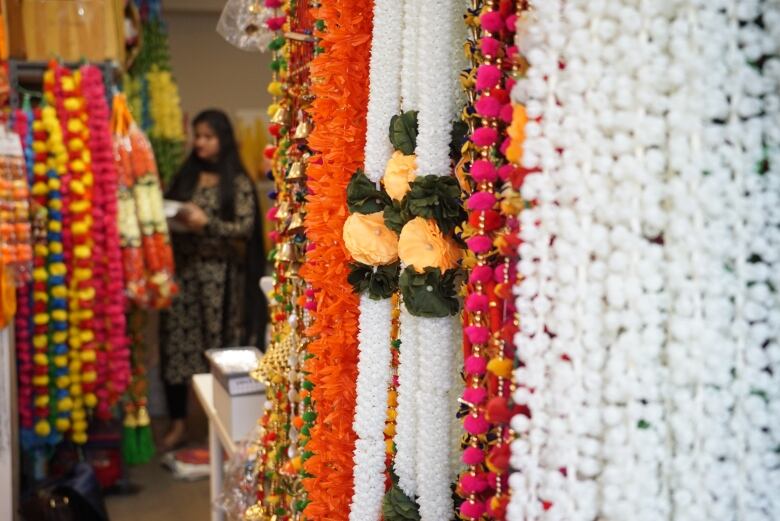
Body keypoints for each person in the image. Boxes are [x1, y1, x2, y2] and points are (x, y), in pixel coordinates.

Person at [160, 109, 267, 450]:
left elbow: (245, 229)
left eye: (208, 136)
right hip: (185, 277)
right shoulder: (186, 175)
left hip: (222, 282)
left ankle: (220, 428)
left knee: (219, 348)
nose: (200, 142)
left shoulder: (237, 181)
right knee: (177, 349)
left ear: (223, 139)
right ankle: (179, 425)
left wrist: (206, 223)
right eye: (197, 135)